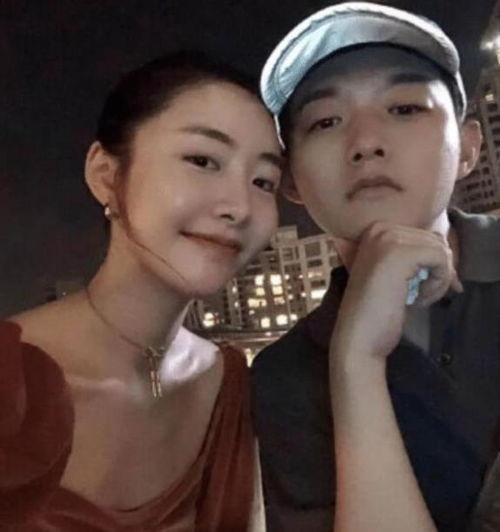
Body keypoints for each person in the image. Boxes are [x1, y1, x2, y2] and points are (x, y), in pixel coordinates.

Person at [1, 50, 283, 530]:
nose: (239, 207)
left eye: (264, 181)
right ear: (106, 175)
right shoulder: (10, 382)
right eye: (202, 160)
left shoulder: (230, 386)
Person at [252, 3, 500, 531]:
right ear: (291, 180)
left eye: (405, 108)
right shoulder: (283, 377)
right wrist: (355, 361)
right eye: (326, 121)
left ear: (468, 148)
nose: (365, 143)